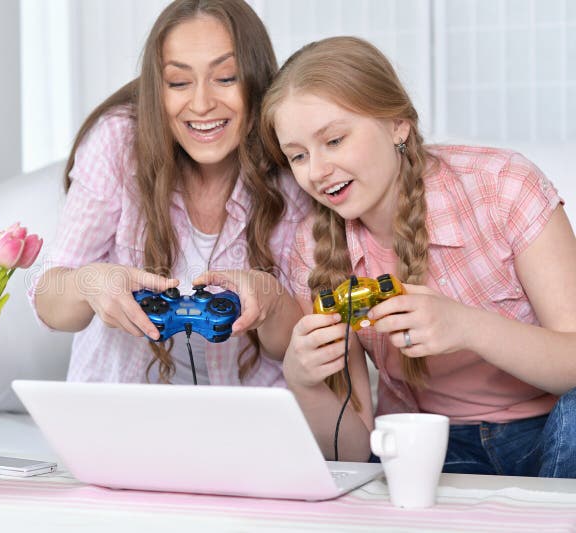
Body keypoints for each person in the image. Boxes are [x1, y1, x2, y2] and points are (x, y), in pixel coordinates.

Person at [259, 35, 576, 476]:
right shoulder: (313, 249)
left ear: (397, 125)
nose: (315, 171)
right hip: (434, 441)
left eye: (333, 141)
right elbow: (351, 454)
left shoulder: (502, 186)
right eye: (297, 155)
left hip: (553, 427)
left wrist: (465, 325)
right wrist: (302, 380)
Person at [31, 0, 310, 387]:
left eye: (226, 77)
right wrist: (88, 284)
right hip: (122, 419)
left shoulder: (292, 163)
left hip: (244, 425)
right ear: (157, 91)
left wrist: (273, 300)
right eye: (179, 82)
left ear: (256, 81)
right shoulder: (117, 142)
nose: (201, 104)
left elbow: (296, 347)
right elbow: (49, 298)